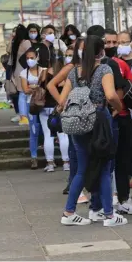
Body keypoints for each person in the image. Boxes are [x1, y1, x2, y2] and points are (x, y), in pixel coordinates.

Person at [60, 35, 126, 226]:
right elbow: (111, 95)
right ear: (101, 51)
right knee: (105, 168)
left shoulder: (74, 72)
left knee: (81, 169)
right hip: (99, 121)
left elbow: (63, 100)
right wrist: (119, 108)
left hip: (78, 124)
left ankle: (69, 212)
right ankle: (109, 215)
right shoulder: (104, 68)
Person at [103, 28, 132, 215]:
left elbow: (131, 88)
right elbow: (121, 90)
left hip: (119, 117)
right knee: (116, 161)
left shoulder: (118, 64)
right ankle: (119, 199)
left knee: (119, 161)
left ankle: (115, 199)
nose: (112, 46)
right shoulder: (113, 64)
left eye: (115, 42)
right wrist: (116, 110)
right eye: (108, 42)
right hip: (118, 116)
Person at [47, 37, 88, 203]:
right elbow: (51, 85)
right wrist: (62, 103)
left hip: (87, 115)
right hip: (73, 115)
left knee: (79, 151)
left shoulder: (90, 67)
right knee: (75, 151)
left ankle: (77, 187)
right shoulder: (71, 67)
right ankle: (74, 187)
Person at [39, 43, 69, 173]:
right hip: (61, 107)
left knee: (48, 135)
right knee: (63, 136)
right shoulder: (65, 73)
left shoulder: (46, 73)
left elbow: (40, 86)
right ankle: (66, 162)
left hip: (45, 108)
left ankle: (50, 163)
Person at [20, 48, 44, 169]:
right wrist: (37, 87)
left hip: (44, 104)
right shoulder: (24, 73)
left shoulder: (43, 71)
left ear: (37, 57)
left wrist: (33, 87)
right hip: (32, 105)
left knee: (46, 129)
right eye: (27, 58)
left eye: (32, 58)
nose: (30, 60)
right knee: (33, 131)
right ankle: (33, 157)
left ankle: (49, 157)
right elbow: (25, 90)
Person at [9, 24, 31, 125]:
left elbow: (9, 57)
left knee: (21, 94)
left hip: (16, 71)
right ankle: (26, 117)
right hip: (25, 71)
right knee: (24, 95)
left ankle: (23, 117)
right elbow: (32, 54)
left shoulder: (15, 44)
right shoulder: (26, 42)